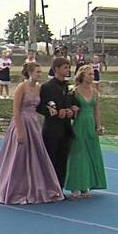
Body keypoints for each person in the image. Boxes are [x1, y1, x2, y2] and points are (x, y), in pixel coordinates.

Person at [0, 62, 64, 204]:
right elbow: (16, 110)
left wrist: (53, 109)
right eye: (37, 72)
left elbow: (44, 105)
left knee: (36, 156)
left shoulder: (39, 88)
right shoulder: (21, 87)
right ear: (29, 72)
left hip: (34, 123)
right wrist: (20, 131)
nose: (39, 74)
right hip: (22, 122)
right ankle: (13, 189)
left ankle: (35, 188)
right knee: (18, 156)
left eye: (41, 72)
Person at [65, 65, 107, 198]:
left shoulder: (95, 92)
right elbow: (68, 106)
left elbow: (97, 110)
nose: (92, 76)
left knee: (90, 154)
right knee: (78, 154)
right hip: (79, 123)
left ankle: (87, 185)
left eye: (93, 74)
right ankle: (75, 185)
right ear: (82, 76)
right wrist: (72, 108)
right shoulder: (75, 91)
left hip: (90, 124)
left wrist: (98, 126)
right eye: (89, 74)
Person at [38, 57, 78, 187]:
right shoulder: (47, 87)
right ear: (56, 69)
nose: (68, 70)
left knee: (62, 161)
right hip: (52, 130)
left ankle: (59, 188)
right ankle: (48, 187)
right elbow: (40, 106)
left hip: (66, 129)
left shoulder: (69, 87)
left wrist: (72, 111)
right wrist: (53, 112)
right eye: (65, 67)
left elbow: (74, 103)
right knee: (51, 159)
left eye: (69, 67)